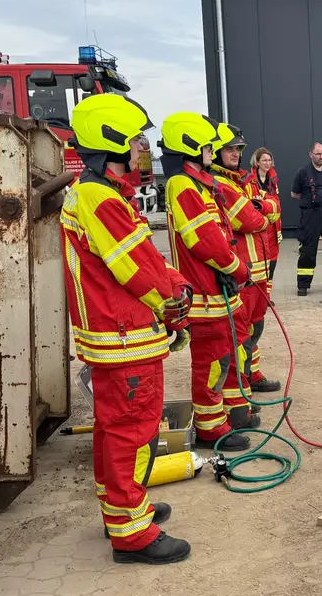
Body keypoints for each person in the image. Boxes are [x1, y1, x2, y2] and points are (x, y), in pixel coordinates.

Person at [59, 93, 194, 564]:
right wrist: (175, 305)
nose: (143, 149)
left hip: (117, 336)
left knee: (113, 430)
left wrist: (171, 282)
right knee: (133, 432)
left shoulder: (99, 194)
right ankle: (132, 534)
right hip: (124, 336)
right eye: (137, 141)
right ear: (112, 141)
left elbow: (145, 255)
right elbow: (136, 269)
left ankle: (121, 509)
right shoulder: (99, 197)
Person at [161, 111, 253, 451]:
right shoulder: (183, 186)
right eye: (209, 149)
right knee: (211, 362)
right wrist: (238, 269)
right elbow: (205, 241)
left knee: (225, 357)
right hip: (205, 294)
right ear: (192, 147)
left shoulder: (199, 184)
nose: (213, 155)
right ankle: (211, 427)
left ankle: (226, 415)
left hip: (217, 292)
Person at [212, 123, 282, 433]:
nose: (235, 155)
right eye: (230, 149)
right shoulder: (227, 183)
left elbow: (274, 211)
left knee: (255, 326)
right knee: (240, 336)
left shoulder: (239, 181)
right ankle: (241, 393)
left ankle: (251, 376)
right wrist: (262, 212)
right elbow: (251, 219)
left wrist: (264, 210)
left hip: (258, 268)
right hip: (243, 271)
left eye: (238, 150)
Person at [291, 141, 322, 295]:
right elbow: (295, 193)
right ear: (310, 154)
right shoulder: (303, 172)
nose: (321, 157)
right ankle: (303, 285)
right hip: (310, 215)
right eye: (318, 154)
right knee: (307, 250)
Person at [246, 147, 283, 286]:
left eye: (269, 160)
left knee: (273, 259)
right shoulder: (249, 180)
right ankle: (260, 294)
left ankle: (267, 294)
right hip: (259, 224)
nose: (267, 163)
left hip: (273, 224)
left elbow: (277, 203)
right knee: (260, 260)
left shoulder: (273, 179)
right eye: (264, 160)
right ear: (257, 162)